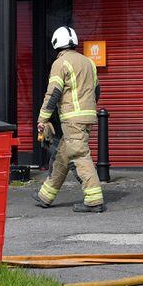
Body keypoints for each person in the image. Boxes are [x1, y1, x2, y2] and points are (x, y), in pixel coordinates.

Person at [33, 26, 105, 213]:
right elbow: (96, 91)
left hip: (72, 119)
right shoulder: (89, 62)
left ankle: (94, 200)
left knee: (80, 156)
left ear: (56, 43)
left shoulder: (61, 63)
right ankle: (45, 196)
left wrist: (43, 118)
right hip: (87, 117)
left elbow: (53, 93)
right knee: (63, 156)